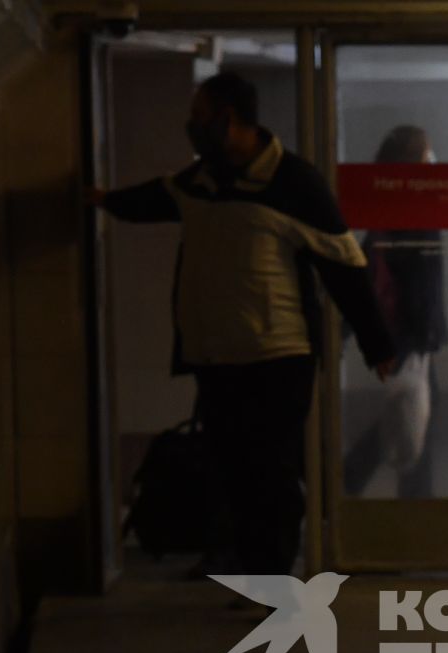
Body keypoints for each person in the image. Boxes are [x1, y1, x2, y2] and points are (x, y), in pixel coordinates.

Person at [89, 72, 395, 575]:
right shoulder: (200, 182)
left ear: (228, 119)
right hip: (215, 355)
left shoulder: (293, 183)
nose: (193, 127)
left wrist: (375, 341)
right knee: (231, 468)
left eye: (199, 116)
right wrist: (102, 200)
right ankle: (247, 567)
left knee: (271, 472)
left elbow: (344, 266)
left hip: (278, 358)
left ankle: (274, 575)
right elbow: (152, 199)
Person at [343, 125, 447, 499]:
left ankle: (352, 479)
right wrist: (424, 335)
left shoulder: (386, 212)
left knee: (403, 419)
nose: (432, 161)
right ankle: (414, 505)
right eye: (427, 154)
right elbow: (415, 286)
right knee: (416, 419)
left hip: (407, 336)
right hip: (409, 337)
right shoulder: (413, 216)